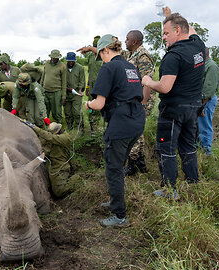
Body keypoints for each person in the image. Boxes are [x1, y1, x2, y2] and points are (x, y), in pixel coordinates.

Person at [141, 6, 206, 198]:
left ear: (177, 31)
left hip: (173, 111)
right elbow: (189, 28)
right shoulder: (198, 46)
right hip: (193, 107)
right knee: (188, 146)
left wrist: (148, 81)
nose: (163, 37)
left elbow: (165, 87)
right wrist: (170, 16)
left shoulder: (173, 56)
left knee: (166, 148)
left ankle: (170, 189)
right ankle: (193, 182)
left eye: (166, 33)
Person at [85, 34, 145, 227]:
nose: (100, 59)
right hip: (136, 120)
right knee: (118, 163)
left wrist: (87, 104)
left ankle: (119, 215)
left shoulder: (108, 68)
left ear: (105, 50)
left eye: (100, 54)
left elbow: (99, 104)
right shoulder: (130, 67)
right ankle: (114, 201)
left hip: (121, 123)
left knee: (113, 168)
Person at [122, 30, 156, 176]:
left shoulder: (143, 56)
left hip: (141, 101)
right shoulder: (131, 54)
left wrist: (141, 105)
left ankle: (133, 165)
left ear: (134, 42)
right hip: (134, 99)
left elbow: (147, 82)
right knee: (136, 130)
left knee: (133, 130)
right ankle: (140, 162)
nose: (125, 41)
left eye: (127, 39)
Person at [24, 121, 77, 198]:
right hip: (51, 165)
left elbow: (50, 137)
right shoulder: (54, 138)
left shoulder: (65, 138)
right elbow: (44, 140)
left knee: (59, 191)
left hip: (60, 166)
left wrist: (34, 127)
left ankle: (76, 179)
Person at [77, 36, 103, 135]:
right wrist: (87, 87)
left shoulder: (105, 56)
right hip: (92, 85)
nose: (95, 48)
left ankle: (100, 127)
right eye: (94, 46)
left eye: (97, 46)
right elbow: (90, 72)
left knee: (101, 106)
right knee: (91, 107)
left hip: (102, 86)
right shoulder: (91, 56)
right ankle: (93, 128)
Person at [197, 47, 219, 155]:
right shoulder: (202, 65)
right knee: (198, 126)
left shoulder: (211, 66)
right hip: (200, 101)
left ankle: (206, 153)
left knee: (204, 126)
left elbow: (209, 89)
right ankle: (198, 150)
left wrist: (202, 106)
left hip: (206, 101)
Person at [40, 49, 67, 123]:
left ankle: (59, 126)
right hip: (45, 91)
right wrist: (40, 88)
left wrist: (64, 96)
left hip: (56, 92)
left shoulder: (62, 66)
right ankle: (45, 125)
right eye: (52, 58)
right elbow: (43, 76)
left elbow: (64, 82)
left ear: (58, 58)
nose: (53, 59)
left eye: (55, 58)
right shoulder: (46, 63)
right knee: (45, 110)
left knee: (57, 112)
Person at [64, 52, 85, 131]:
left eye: (72, 61)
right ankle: (70, 127)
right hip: (66, 93)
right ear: (66, 61)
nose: (71, 62)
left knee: (77, 112)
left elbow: (82, 80)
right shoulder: (63, 68)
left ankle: (81, 127)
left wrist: (80, 90)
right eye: (69, 61)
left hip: (76, 93)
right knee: (68, 112)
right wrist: (66, 89)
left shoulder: (80, 68)